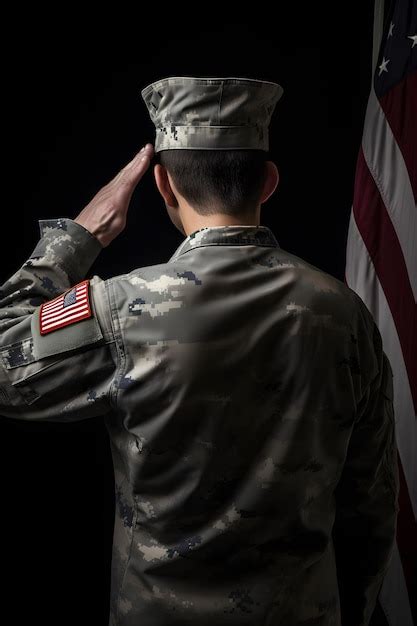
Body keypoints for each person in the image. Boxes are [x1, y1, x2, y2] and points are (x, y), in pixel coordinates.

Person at [0, 76, 399, 626]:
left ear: (163, 185)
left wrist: (76, 238)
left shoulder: (119, 307)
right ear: (270, 182)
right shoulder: (346, 314)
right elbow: (371, 505)